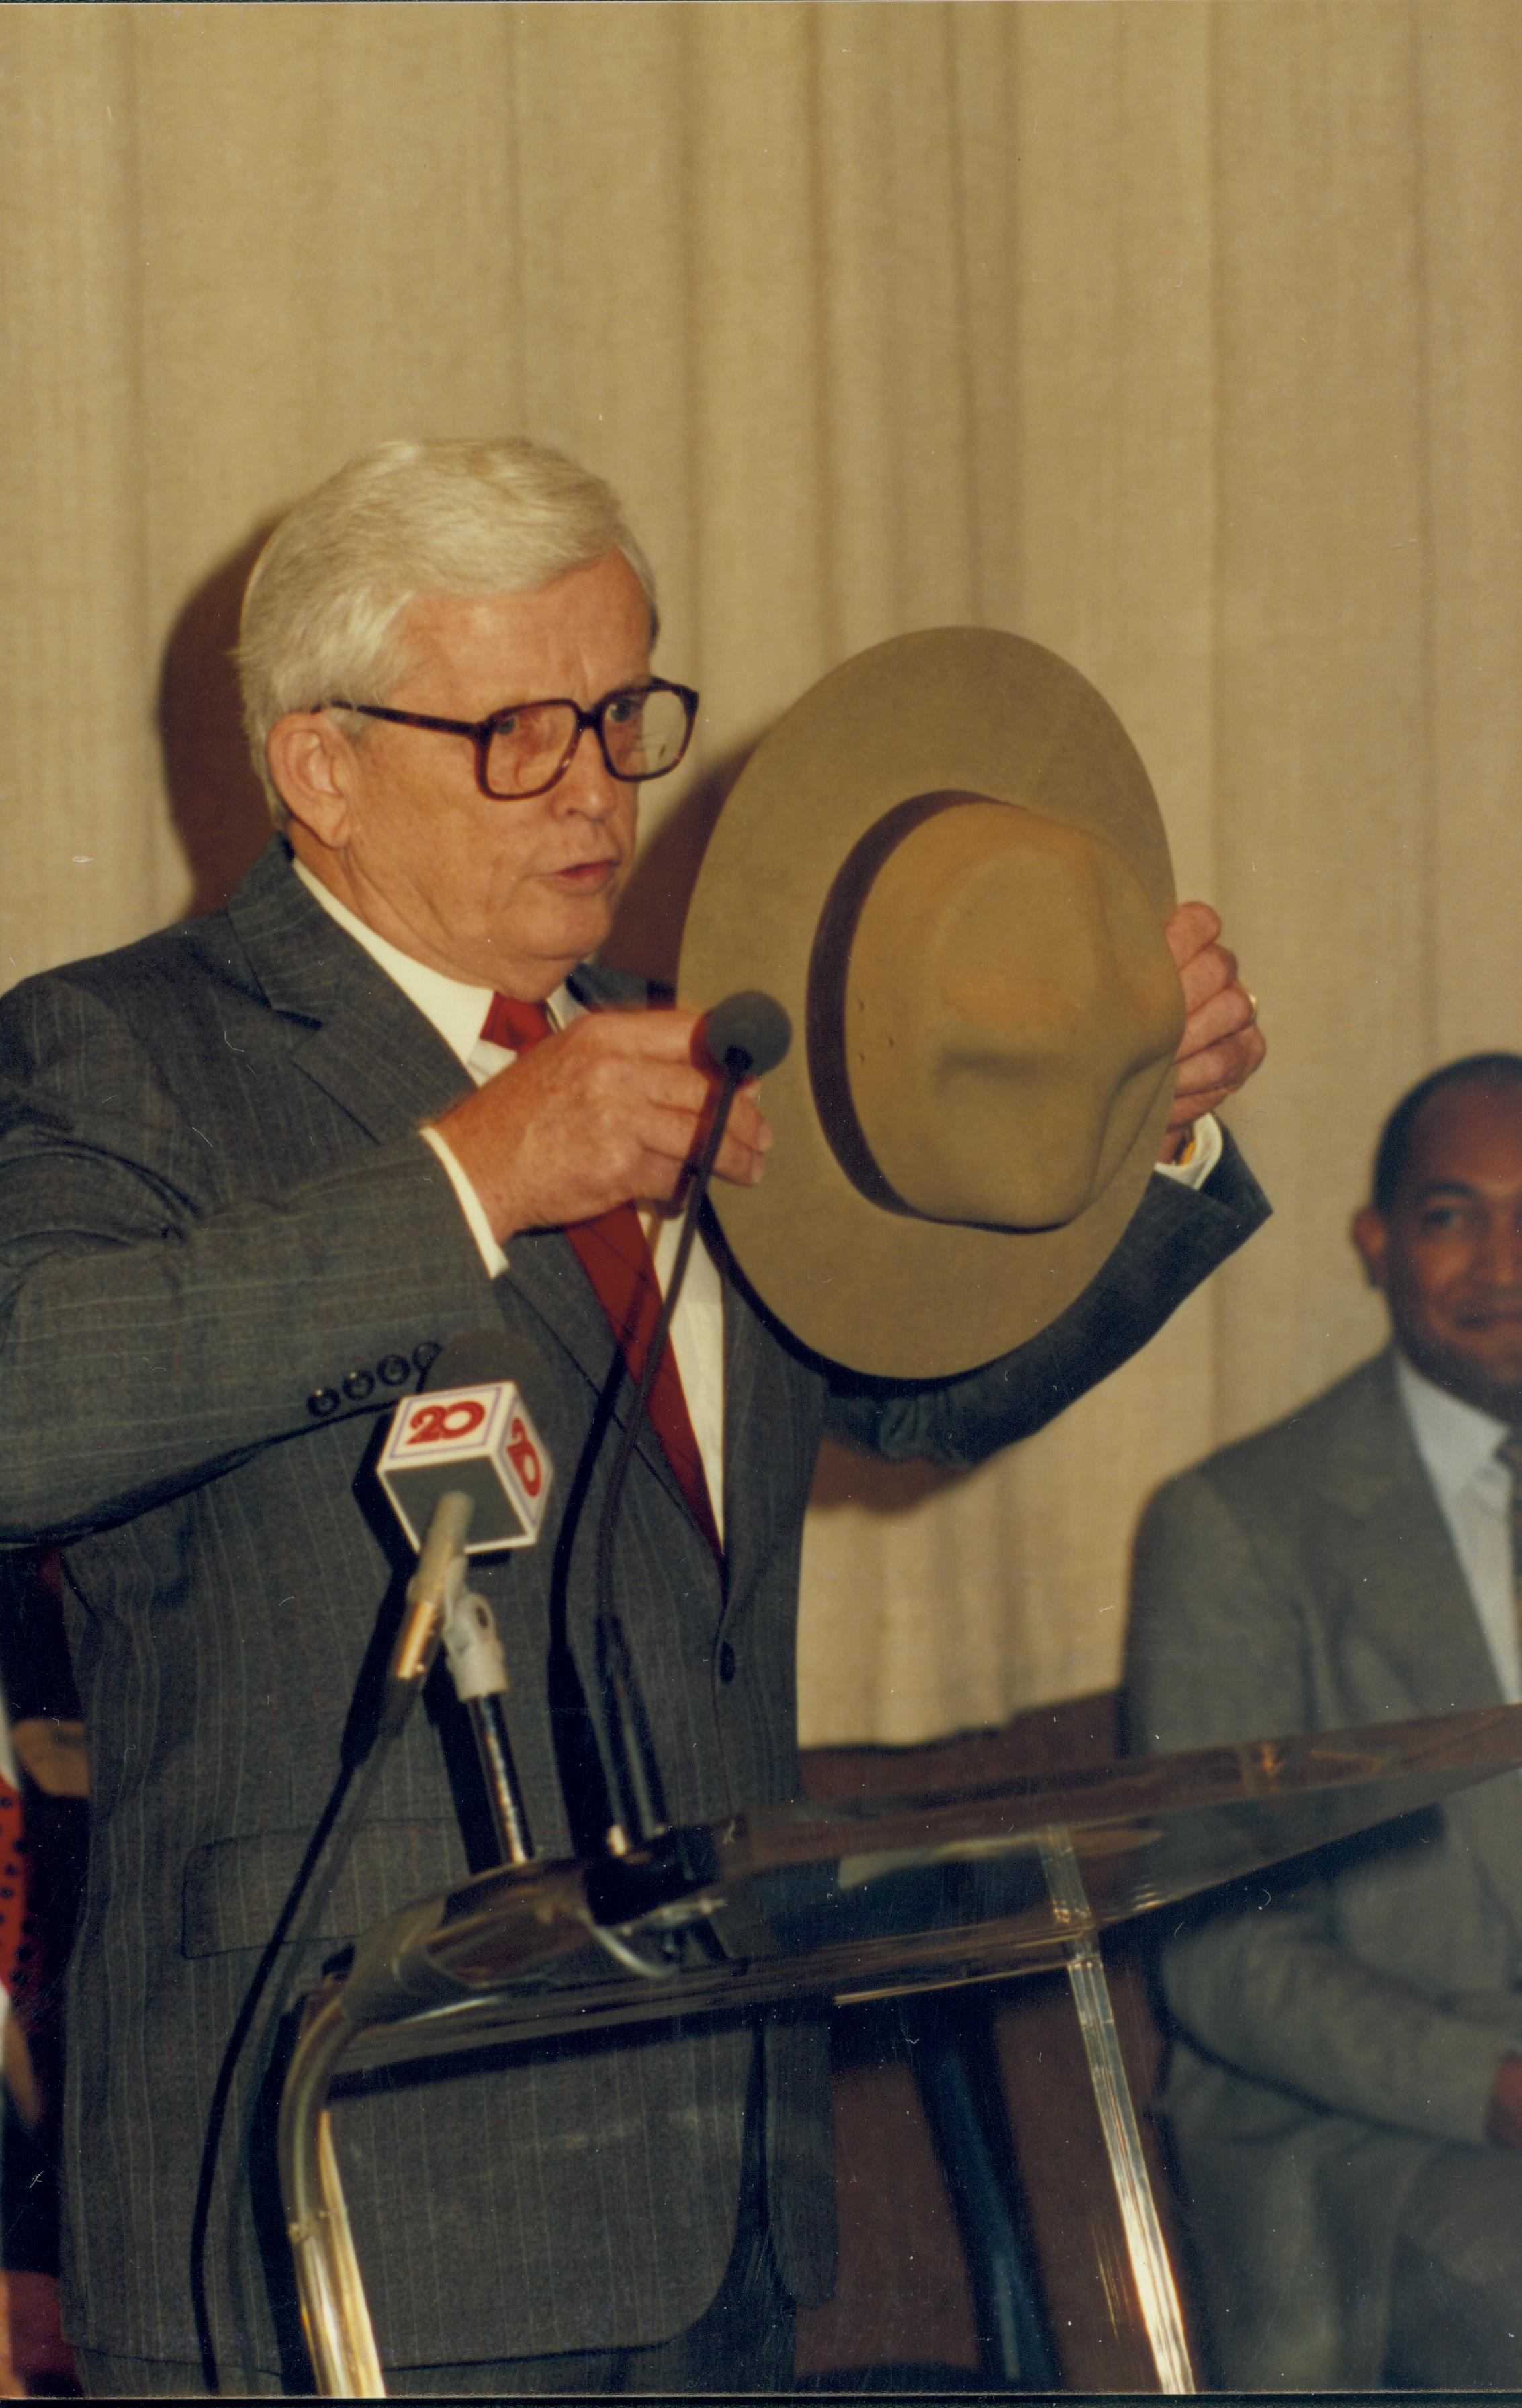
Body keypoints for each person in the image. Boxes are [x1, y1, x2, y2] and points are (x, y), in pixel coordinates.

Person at [0, 436, 1267, 2396]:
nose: (595, 786)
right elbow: (31, 1410)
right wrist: (471, 1177)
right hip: (348, 2196)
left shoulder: (696, 1030)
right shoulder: (124, 1052)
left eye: (620, 710)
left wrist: (1150, 1137)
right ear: (319, 763)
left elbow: (918, 1394)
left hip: (713, 2171)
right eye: (517, 731)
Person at [1128, 1052, 1522, 2391]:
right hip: (1379, 2142)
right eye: (1450, 1212)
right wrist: (1497, 2081)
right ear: (1373, 1241)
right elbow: (1212, 1943)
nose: (1502, 1260)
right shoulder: (1238, 1526)